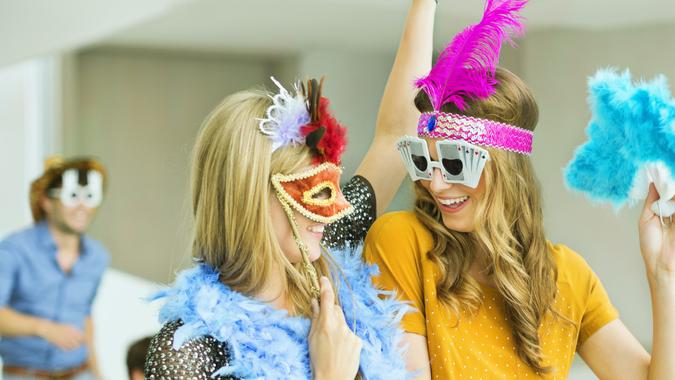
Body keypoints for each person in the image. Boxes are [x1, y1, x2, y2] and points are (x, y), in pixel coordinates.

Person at [364, 1, 675, 379]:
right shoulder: (401, 242)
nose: (435, 183)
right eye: (422, 161)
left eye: (455, 163)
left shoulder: (568, 276)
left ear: (506, 168)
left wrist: (664, 273)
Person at [144, 1, 438, 378]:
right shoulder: (189, 349)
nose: (331, 212)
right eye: (313, 193)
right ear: (248, 198)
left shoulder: (330, 256)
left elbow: (396, 134)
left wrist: (424, 5)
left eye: (330, 188)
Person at [0, 157, 110, 380]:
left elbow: (85, 316)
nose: (82, 207)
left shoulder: (98, 257)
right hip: (26, 374)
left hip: (79, 372)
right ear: (46, 202)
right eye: (72, 197)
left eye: (89, 197)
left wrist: (98, 374)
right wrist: (43, 328)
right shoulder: (14, 250)